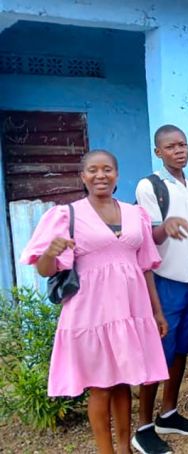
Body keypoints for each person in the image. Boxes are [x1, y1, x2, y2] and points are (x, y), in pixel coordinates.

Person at [21, 150, 169, 454]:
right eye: (92, 170)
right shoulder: (67, 215)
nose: (100, 175)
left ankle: (125, 448)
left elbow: (145, 267)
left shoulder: (134, 214)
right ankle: (106, 451)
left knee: (124, 382)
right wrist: (51, 251)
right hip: (90, 313)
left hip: (131, 310)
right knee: (100, 386)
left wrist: (156, 311)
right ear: (83, 175)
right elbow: (45, 269)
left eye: (107, 169)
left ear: (117, 174)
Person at [134, 124, 188, 454]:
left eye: (183, 144)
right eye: (171, 146)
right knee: (157, 355)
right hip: (165, 283)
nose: (179, 150)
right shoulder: (151, 185)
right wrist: (166, 227)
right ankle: (144, 428)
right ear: (158, 152)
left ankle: (168, 412)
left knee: (180, 352)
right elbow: (148, 237)